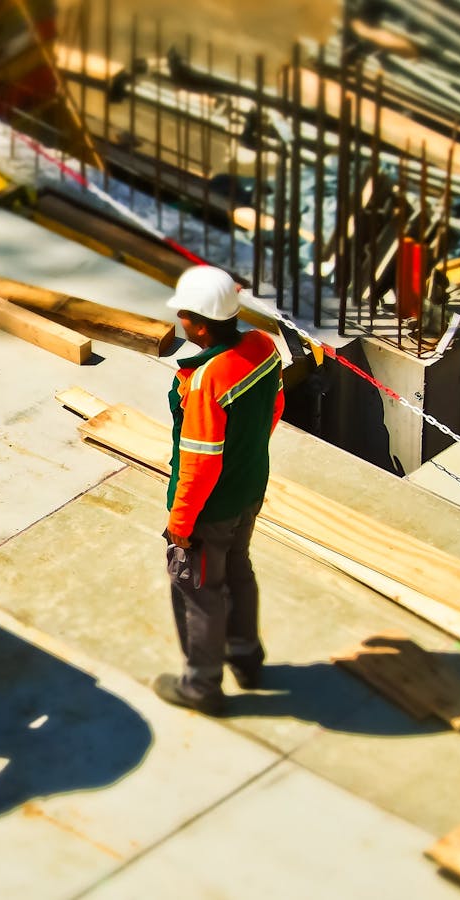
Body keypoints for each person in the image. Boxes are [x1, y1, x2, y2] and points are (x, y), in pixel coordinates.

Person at [155, 266, 286, 716]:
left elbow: (200, 461)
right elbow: (276, 406)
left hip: (211, 508)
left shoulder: (207, 377)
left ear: (201, 324)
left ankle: (201, 686)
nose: (181, 323)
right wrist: (248, 461)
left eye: (185, 316)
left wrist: (181, 522)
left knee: (197, 589)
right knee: (238, 572)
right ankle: (247, 658)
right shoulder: (263, 348)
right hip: (249, 490)